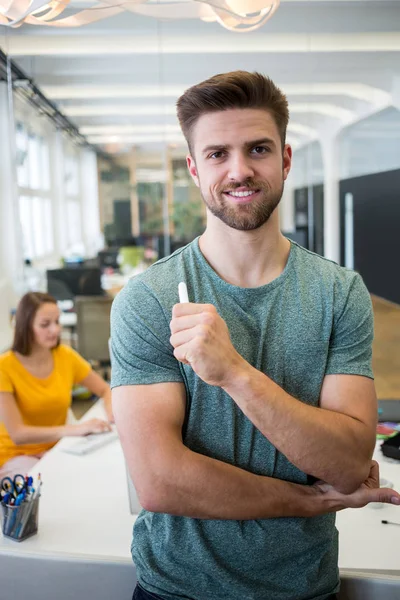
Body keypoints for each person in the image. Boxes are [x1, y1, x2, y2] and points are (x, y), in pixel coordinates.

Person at [110, 71, 400, 600]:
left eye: (258, 149)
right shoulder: (147, 300)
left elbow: (349, 465)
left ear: (285, 159)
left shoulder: (339, 293)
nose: (239, 170)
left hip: (304, 589)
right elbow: (159, 482)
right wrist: (304, 499)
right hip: (176, 590)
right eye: (218, 154)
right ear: (195, 170)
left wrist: (235, 373)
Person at [0, 292, 112, 479]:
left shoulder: (64, 356)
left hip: (57, 448)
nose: (55, 330)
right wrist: (75, 429)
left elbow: (105, 389)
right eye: (45, 324)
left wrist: (112, 416)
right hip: (16, 456)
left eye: (57, 321)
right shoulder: (4, 367)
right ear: (25, 327)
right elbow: (17, 434)